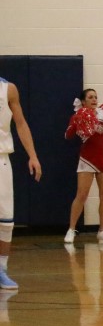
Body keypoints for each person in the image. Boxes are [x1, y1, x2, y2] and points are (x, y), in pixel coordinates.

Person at [0, 76, 41, 290]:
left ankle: (1, 269)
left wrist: (32, 156)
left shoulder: (9, 89)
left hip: (1, 158)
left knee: (5, 220)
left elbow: (21, 123)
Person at [64, 89, 103, 245]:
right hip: (87, 159)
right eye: (90, 97)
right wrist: (76, 122)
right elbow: (67, 135)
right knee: (81, 195)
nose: (94, 100)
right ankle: (71, 229)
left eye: (95, 97)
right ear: (83, 101)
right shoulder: (78, 115)